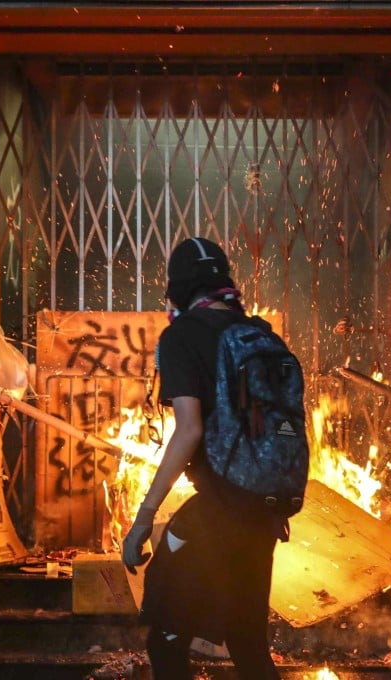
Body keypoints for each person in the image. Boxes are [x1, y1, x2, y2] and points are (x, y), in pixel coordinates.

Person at [121, 237, 284, 679]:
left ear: (176, 289)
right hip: (264, 514)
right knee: (248, 641)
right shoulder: (260, 335)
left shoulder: (182, 336)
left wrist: (144, 516)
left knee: (168, 639)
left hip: (216, 510)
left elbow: (189, 430)